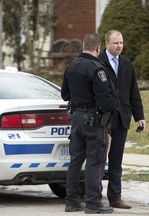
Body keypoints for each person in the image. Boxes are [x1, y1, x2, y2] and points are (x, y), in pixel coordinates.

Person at [61, 33, 120, 214]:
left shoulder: (72, 66)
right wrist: (116, 105)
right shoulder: (97, 68)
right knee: (96, 161)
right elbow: (104, 100)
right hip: (94, 121)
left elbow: (65, 95)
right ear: (98, 48)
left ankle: (71, 202)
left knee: (75, 161)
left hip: (77, 119)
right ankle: (94, 203)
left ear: (83, 46)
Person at [99, 30, 146, 209]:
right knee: (99, 160)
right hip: (103, 118)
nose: (119, 46)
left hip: (122, 118)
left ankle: (115, 197)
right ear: (107, 44)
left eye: (121, 43)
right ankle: (95, 197)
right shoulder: (98, 63)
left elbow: (134, 92)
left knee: (116, 160)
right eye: (115, 43)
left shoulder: (127, 64)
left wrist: (139, 116)